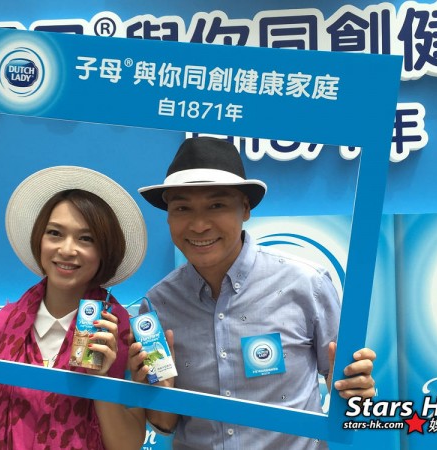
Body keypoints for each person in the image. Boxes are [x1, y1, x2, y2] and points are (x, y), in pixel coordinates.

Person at [130, 137, 377, 449]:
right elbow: (165, 424)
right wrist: (158, 391)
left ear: (245, 208)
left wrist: (356, 388)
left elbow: (347, 388)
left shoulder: (306, 283)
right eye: (182, 208)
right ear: (168, 216)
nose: (199, 225)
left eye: (216, 205)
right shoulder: (157, 304)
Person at [0, 166, 148, 450]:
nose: (67, 250)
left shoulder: (124, 336)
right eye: (55, 233)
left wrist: (100, 380)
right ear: (39, 239)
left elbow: (127, 445)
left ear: (105, 250)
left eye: (86, 238)